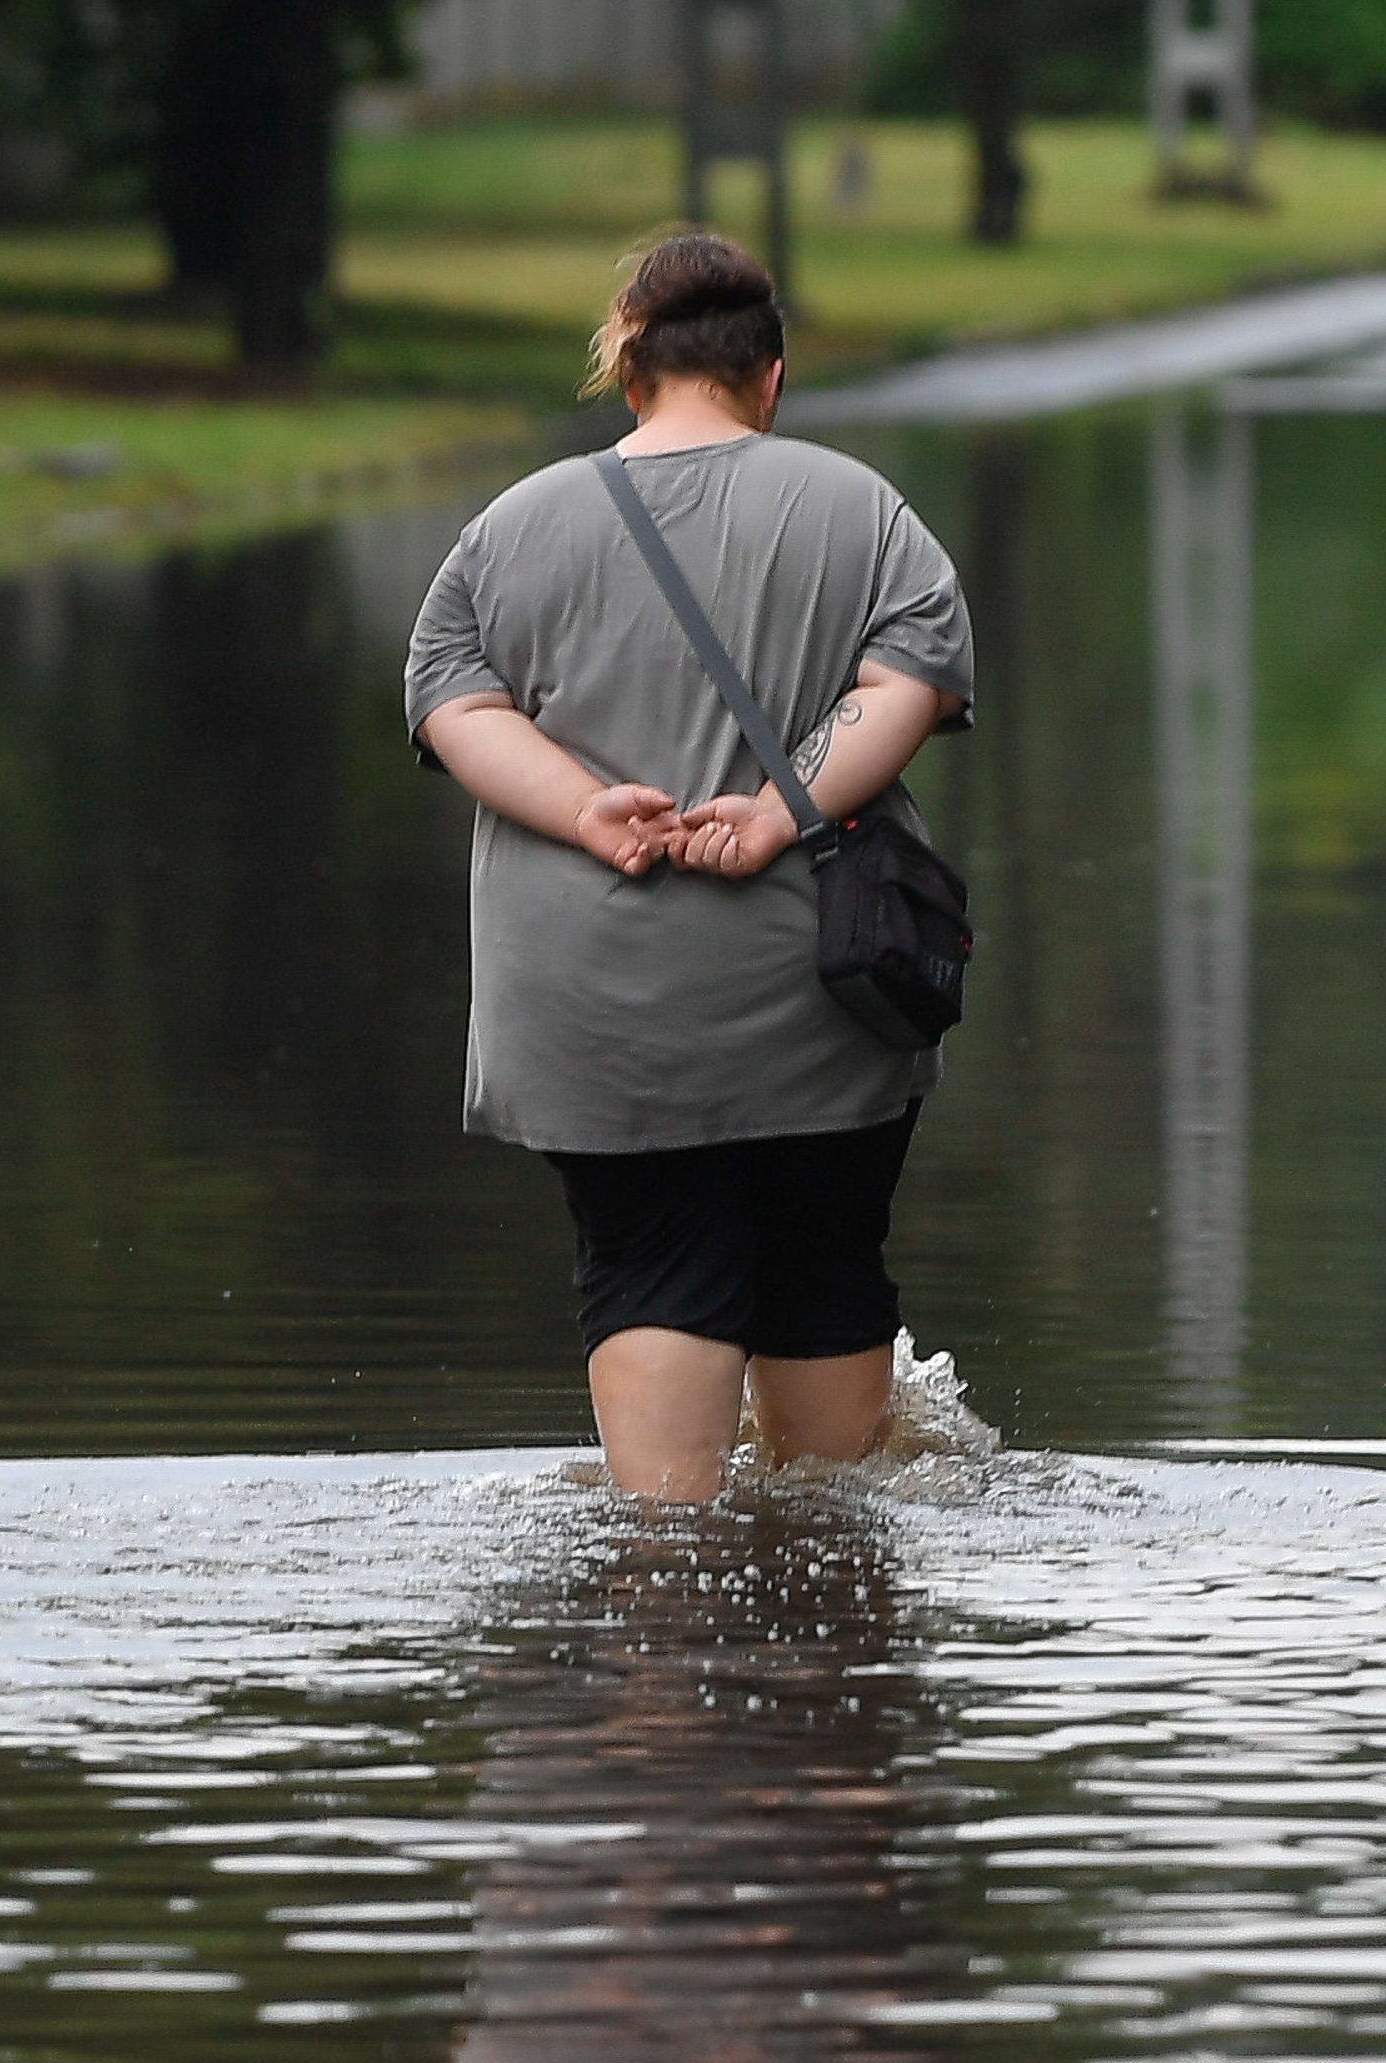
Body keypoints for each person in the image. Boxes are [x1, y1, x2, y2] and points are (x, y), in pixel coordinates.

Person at [406, 232, 977, 1504]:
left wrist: (588, 809)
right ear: (770, 379)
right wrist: (778, 814)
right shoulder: (864, 512)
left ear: (628, 375)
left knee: (652, 1258)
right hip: (822, 991)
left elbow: (450, 701)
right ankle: (824, 1615)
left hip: (592, 1003)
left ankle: (663, 1600)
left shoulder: (507, 530)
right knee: (826, 1263)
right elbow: (908, 685)